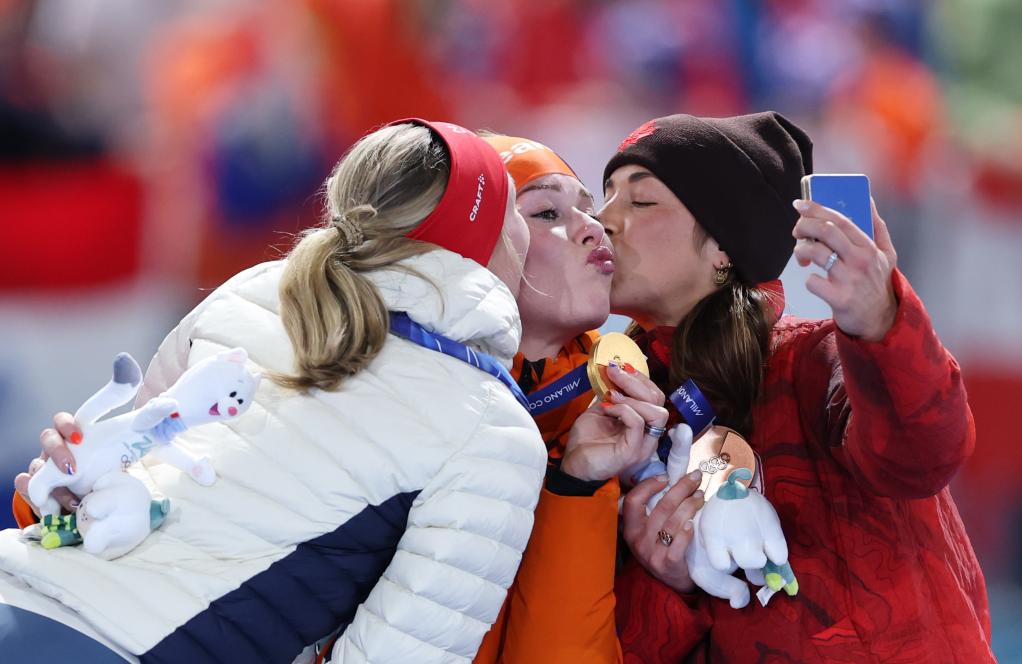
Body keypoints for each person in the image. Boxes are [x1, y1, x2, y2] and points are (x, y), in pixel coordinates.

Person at [2, 119, 551, 663]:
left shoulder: (252, 289)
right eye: (525, 210)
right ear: (491, 236)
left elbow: (118, 469)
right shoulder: (493, 430)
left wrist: (58, 490)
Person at [600, 112, 995, 662]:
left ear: (722, 249)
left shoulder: (816, 360)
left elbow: (925, 455)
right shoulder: (620, 410)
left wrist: (883, 324)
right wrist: (666, 581)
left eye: (640, 201)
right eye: (605, 196)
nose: (602, 219)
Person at [472, 134, 692, 664]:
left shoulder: (621, 413)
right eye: (546, 212)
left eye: (588, 210)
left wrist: (577, 484)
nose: (595, 227)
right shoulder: (400, 395)